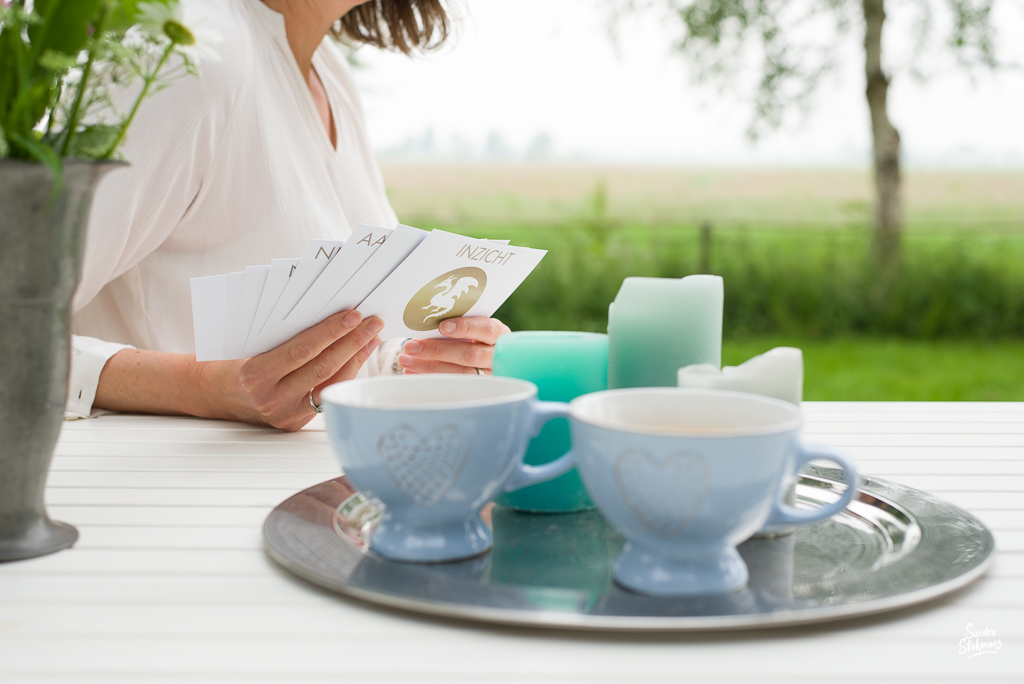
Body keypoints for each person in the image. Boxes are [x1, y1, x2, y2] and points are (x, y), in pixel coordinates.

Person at [67, 0, 509, 432]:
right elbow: (16, 323)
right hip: (161, 490)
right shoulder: (190, 54)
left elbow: (350, 336)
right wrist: (206, 388)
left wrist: (416, 364)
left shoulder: (328, 70)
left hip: (305, 488)